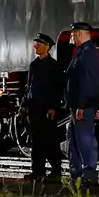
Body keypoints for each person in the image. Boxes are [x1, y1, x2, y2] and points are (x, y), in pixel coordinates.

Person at [21, 32, 63, 181]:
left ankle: (56, 170)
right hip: (34, 107)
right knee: (36, 141)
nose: (35, 46)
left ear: (47, 47)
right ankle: (37, 171)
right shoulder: (34, 64)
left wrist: (53, 107)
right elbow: (29, 86)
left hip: (46, 108)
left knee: (49, 140)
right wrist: (24, 103)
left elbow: (57, 88)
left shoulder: (53, 66)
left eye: (38, 44)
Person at [64, 22, 99, 186]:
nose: (71, 37)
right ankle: (76, 173)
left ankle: (89, 173)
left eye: (72, 34)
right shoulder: (81, 52)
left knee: (85, 139)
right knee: (73, 139)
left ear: (79, 33)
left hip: (83, 105)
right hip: (76, 105)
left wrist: (82, 105)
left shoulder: (88, 53)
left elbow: (88, 82)